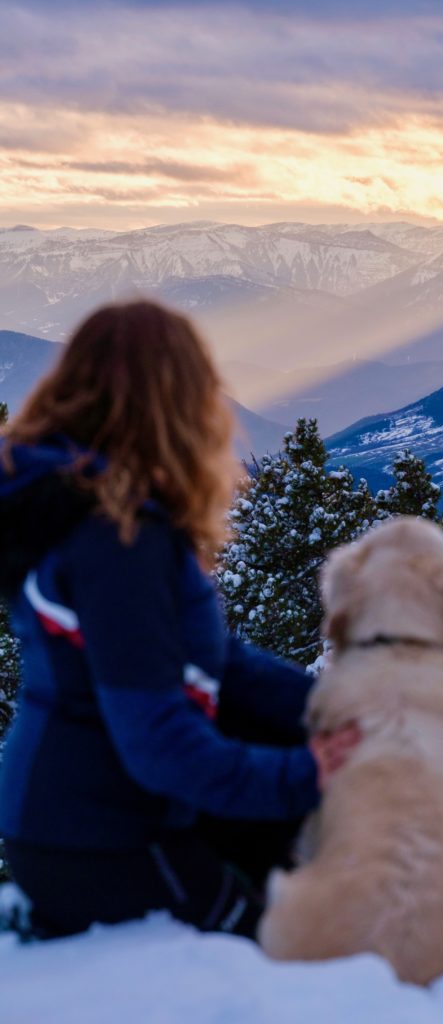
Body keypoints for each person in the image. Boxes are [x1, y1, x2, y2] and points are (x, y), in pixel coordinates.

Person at [0, 300, 356, 941]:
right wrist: (308, 775)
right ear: (175, 406)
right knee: (291, 952)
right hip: (108, 843)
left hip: (71, 821)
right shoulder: (117, 541)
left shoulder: (81, 508)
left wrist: (338, 705)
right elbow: (159, 742)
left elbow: (217, 662)